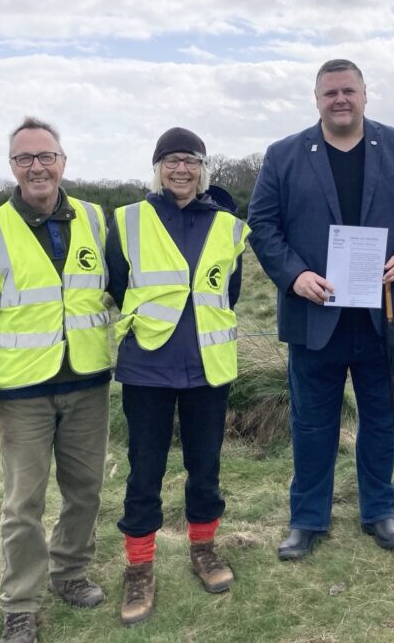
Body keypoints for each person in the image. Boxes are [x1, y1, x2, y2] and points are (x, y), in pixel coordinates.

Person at [248, 59, 394, 560]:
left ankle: (379, 510)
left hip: (386, 314)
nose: (340, 99)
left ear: (365, 94)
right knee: (312, 423)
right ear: (316, 99)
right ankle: (307, 518)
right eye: (330, 92)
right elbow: (262, 223)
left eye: (349, 91)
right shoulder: (284, 155)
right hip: (316, 317)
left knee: (383, 418)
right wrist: (294, 275)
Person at [0, 118, 111, 643]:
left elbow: (126, 288)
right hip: (22, 392)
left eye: (45, 156)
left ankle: (70, 573)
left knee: (85, 490)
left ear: (63, 161)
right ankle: (19, 602)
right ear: (13, 168)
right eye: (25, 159)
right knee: (23, 503)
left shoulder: (95, 219)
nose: (37, 167)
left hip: (87, 383)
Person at [107, 127, 249, 625]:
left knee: (205, 466)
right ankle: (140, 568)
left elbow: (228, 290)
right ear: (157, 168)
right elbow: (118, 281)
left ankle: (204, 550)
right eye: (171, 161)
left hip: (208, 367)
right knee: (144, 469)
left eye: (190, 160)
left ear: (203, 168)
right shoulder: (127, 220)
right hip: (147, 365)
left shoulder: (229, 225)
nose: (181, 169)